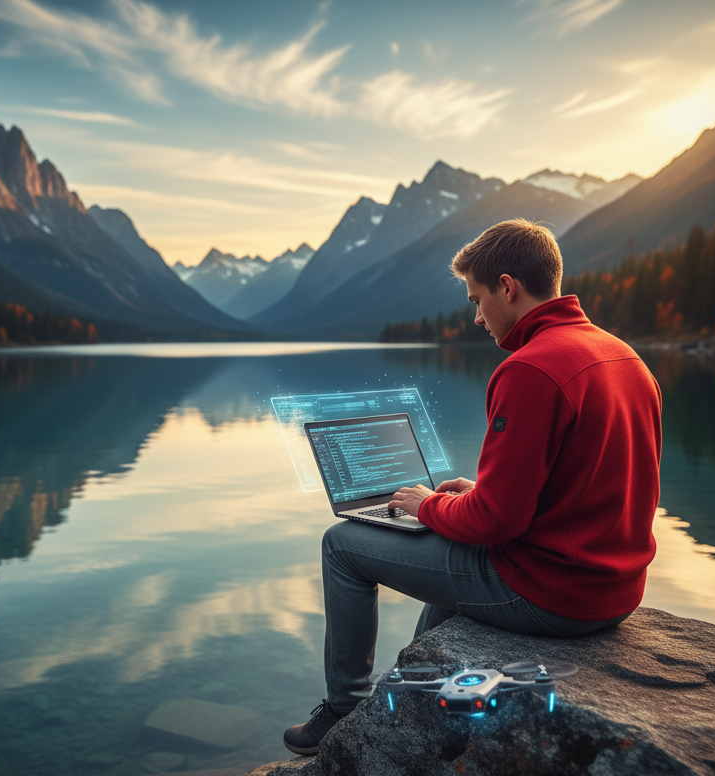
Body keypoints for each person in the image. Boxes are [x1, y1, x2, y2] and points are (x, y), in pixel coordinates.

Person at [283, 219, 662, 756]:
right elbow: (587, 481)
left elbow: (497, 524)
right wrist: (478, 493)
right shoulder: (626, 359)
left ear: (508, 287)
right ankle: (410, 697)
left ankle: (344, 711)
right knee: (452, 554)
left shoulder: (530, 368)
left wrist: (431, 504)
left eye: (478, 299)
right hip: (616, 592)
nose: (477, 316)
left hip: (552, 595)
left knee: (341, 546)